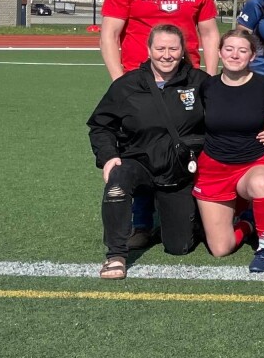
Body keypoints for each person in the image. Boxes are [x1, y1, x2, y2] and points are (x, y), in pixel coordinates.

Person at [98, 0, 219, 250]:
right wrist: (120, 82)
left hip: (186, 82)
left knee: (190, 147)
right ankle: (140, 222)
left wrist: (210, 80)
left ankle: (192, 215)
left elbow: (209, 33)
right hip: (141, 84)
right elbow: (109, 35)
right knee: (139, 148)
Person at [87, 24, 205, 279]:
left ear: (182, 50)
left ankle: (180, 220)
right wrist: (108, 156)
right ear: (149, 50)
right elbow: (100, 125)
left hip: (177, 171)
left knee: (179, 247)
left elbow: (225, 115)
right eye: (160, 48)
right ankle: (116, 255)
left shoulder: (199, 82)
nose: (167, 55)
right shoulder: (127, 85)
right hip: (138, 162)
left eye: (173, 49)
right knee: (118, 181)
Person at [192, 28, 264, 271]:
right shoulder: (206, 86)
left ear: (252, 56)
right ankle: (249, 222)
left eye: (242, 50)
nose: (235, 55)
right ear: (219, 52)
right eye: (229, 49)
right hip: (213, 168)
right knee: (221, 249)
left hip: (253, 164)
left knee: (261, 184)